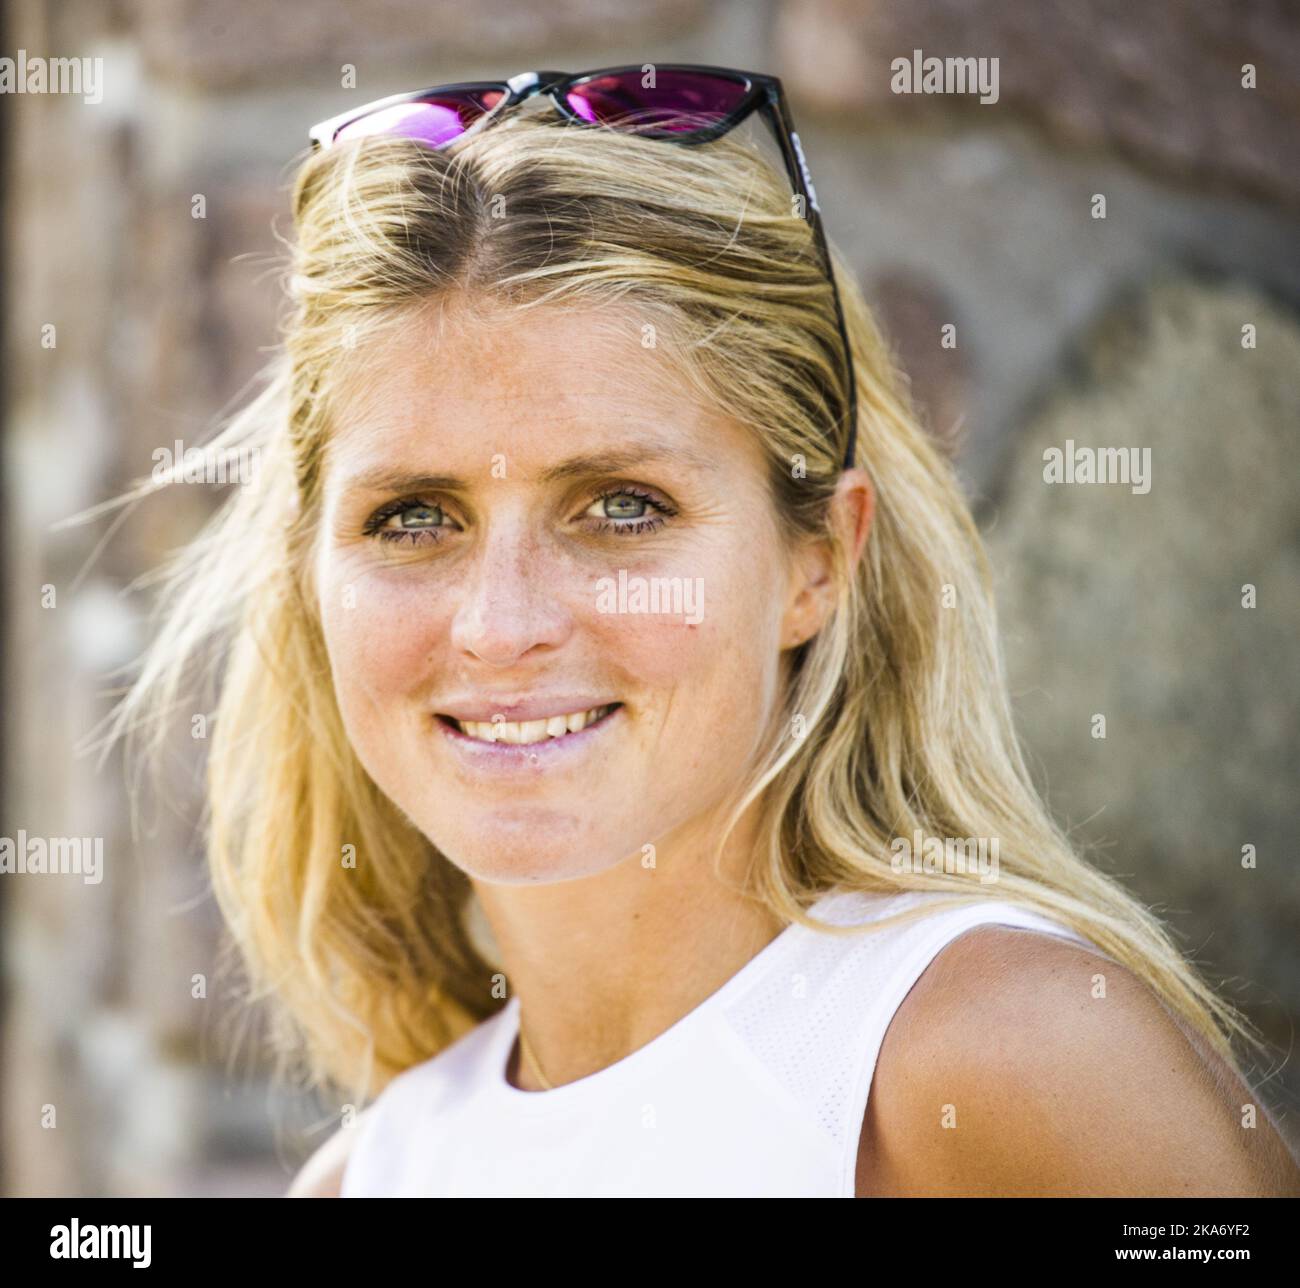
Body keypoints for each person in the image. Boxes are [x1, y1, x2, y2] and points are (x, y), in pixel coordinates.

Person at [106, 70, 1300, 1198]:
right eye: (413, 517)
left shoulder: (1001, 1047)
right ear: (312, 573)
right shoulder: (372, 1178)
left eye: (623, 506)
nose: (502, 624)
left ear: (815, 563)